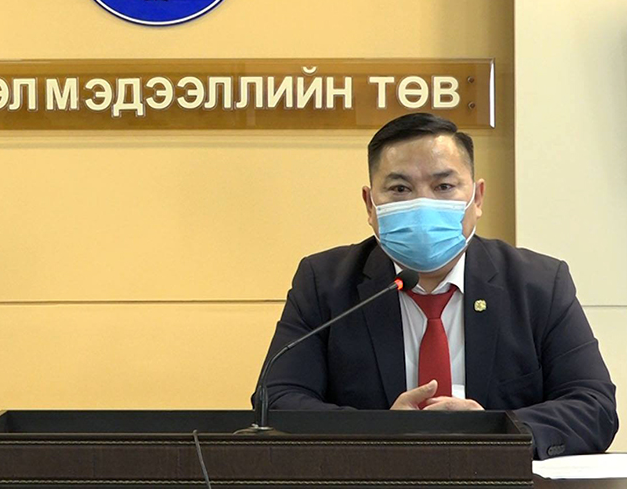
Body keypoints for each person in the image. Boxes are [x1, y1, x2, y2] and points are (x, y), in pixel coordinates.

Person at [256, 112, 617, 459]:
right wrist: (380, 432)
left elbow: (594, 406)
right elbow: (278, 400)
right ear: (370, 204)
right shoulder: (324, 283)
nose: (422, 205)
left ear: (477, 198)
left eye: (444, 186)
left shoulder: (538, 283)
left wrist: (496, 430)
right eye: (400, 188)